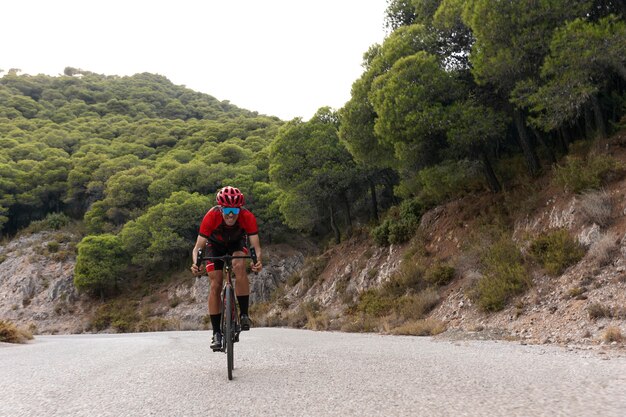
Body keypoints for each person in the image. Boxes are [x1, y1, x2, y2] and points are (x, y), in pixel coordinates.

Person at [191, 186, 262, 351]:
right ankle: (216, 333)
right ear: (220, 208)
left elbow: (256, 246)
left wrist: (257, 261)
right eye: (227, 209)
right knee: (215, 283)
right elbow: (198, 247)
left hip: (236, 243)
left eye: (235, 210)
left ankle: (244, 314)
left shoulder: (247, 217)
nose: (231, 214)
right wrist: (196, 263)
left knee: (239, 266)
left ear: (240, 209)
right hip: (214, 246)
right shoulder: (211, 216)